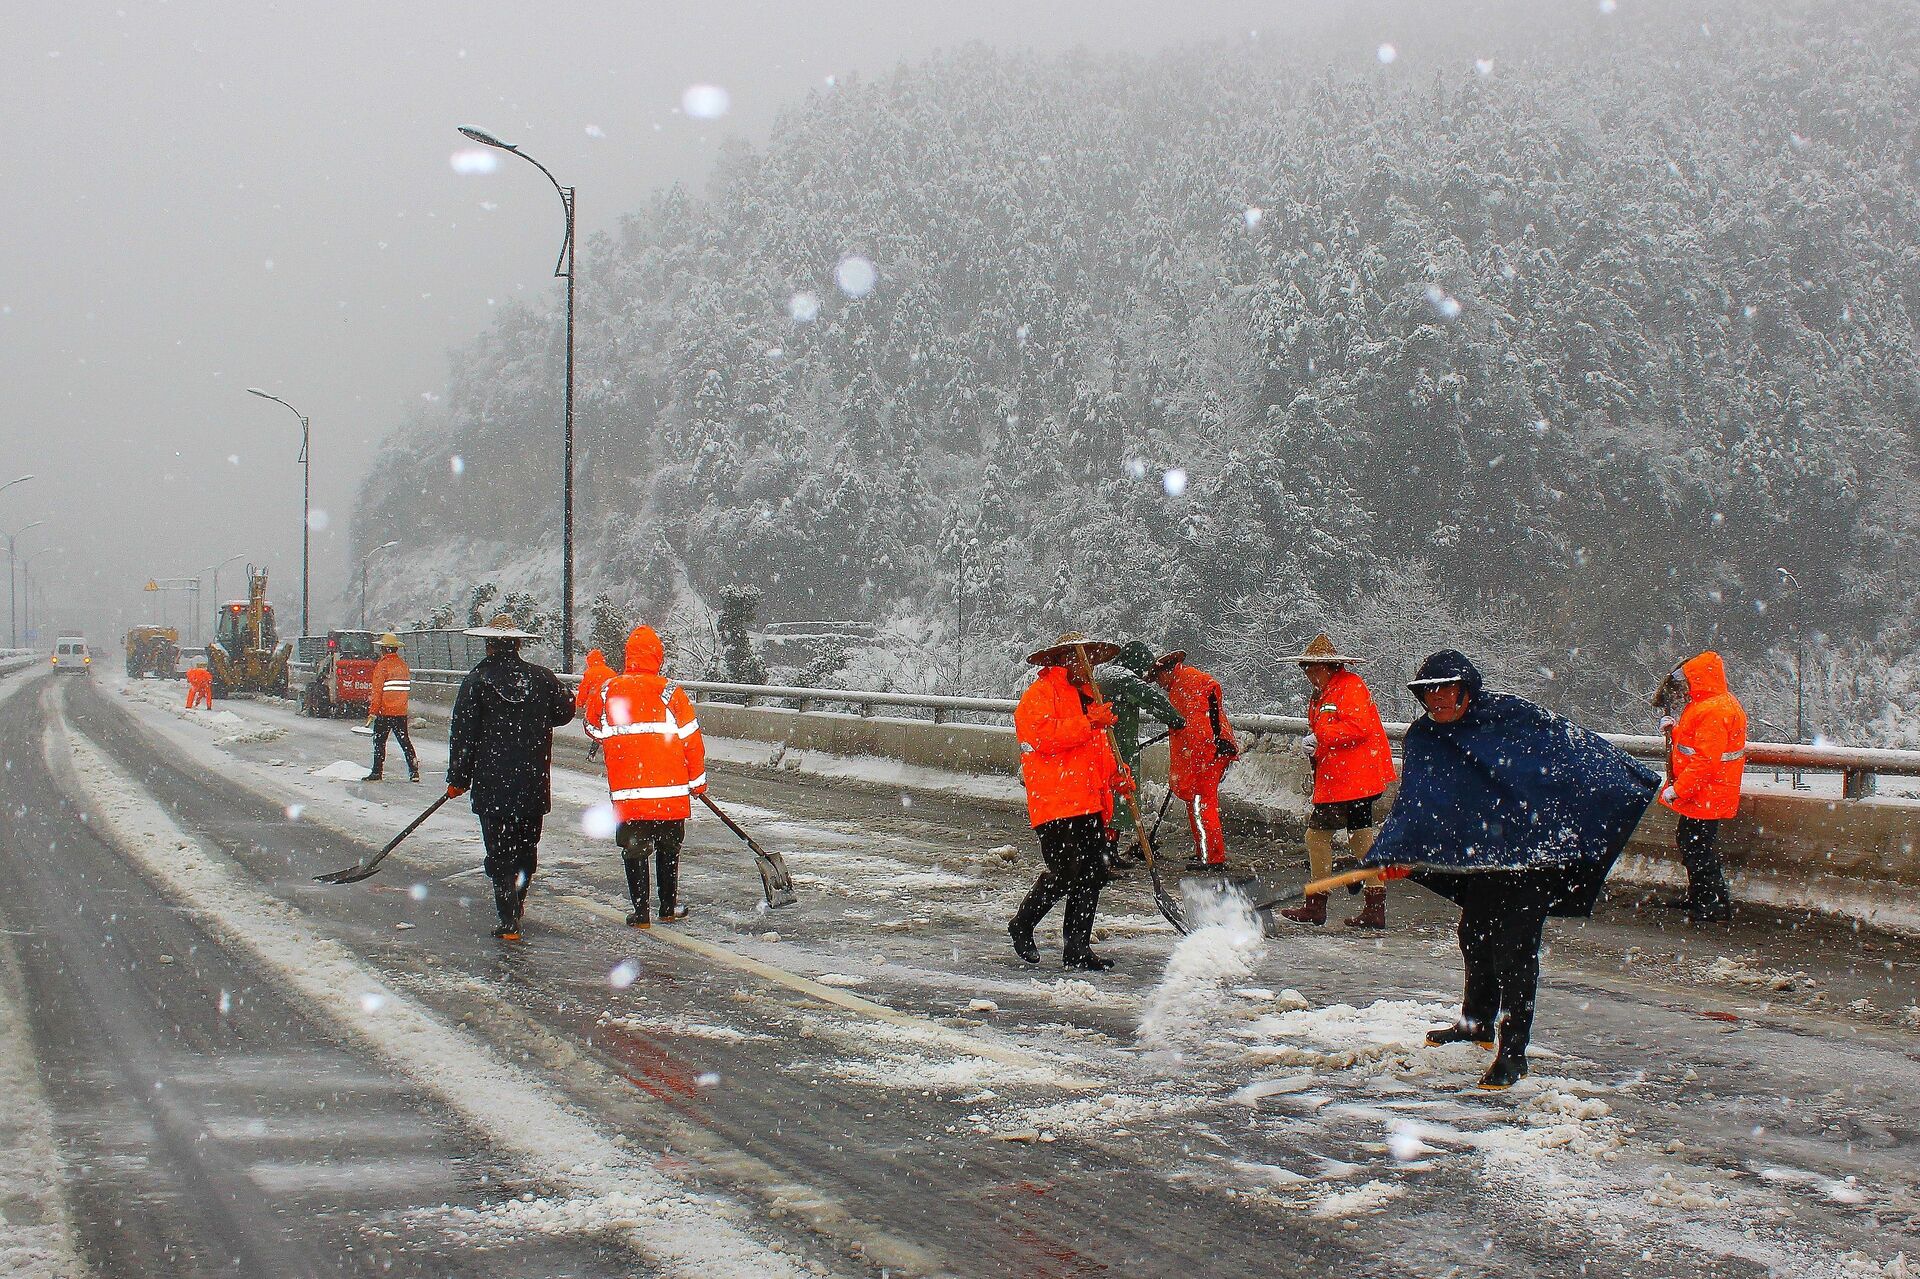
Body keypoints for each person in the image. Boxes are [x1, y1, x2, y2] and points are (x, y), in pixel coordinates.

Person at [1359, 651, 1658, 1089]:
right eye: (1427, 692)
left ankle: (1513, 1051)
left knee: (1514, 948)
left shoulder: (1508, 718)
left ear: (1466, 687)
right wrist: (1396, 850)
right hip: (1482, 857)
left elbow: (1568, 752)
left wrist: (1623, 780)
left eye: (1445, 688)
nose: (1436, 699)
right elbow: (1421, 803)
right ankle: (1475, 1021)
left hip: (1529, 854)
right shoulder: (1424, 737)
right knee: (1474, 934)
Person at [447, 613, 576, 940]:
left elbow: (463, 734)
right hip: (532, 782)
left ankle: (508, 918)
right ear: (518, 644)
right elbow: (565, 711)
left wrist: (458, 778)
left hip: (493, 785)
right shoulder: (542, 679)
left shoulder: (477, 682)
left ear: (489, 645)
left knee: (499, 850)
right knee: (525, 847)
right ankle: (518, 901)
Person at [1008, 633, 1132, 972]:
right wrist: (1090, 722)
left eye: (1091, 659)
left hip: (1088, 802)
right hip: (1055, 801)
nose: (1087, 665)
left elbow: (1096, 753)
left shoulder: (1089, 699)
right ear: (1063, 660)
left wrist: (1115, 778)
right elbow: (1041, 737)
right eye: (1081, 659)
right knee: (1067, 872)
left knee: (1094, 873)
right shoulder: (1041, 695)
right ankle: (1023, 923)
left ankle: (1077, 948)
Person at [584, 625, 706, 929]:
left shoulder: (608, 690)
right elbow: (691, 739)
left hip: (630, 794)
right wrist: (697, 780)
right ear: (658, 657)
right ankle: (667, 906)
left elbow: (594, 730)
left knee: (635, 848)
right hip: (669, 793)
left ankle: (640, 913)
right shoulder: (670, 692)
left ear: (628, 656)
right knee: (669, 848)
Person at [1279, 634, 1397, 928]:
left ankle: (1316, 903)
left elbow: (1357, 727)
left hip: (1349, 779)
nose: (1308, 674)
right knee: (1361, 838)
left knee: (1316, 837)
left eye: (1312, 668)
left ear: (1328, 667)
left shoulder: (1348, 688)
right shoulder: (1327, 693)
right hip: (1350, 777)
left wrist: (1320, 737)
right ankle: (1374, 904)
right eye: (1305, 668)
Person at [1657, 650, 1746, 923]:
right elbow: (1693, 744)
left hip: (1706, 792)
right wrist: (1672, 730)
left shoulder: (1713, 710)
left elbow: (1705, 760)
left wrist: (1679, 789)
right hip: (1706, 792)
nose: (1683, 688)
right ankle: (1702, 897)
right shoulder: (1710, 704)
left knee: (1698, 848)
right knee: (1693, 843)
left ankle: (1712, 903)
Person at [1096, 640, 1186, 866]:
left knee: (1104, 802)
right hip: (1117, 749)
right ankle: (1106, 856)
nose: (1146, 676)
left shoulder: (1104, 676)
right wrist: (1176, 720)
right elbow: (1151, 699)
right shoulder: (1123, 678)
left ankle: (1105, 854)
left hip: (1099, 747)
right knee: (1116, 801)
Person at [1150, 650, 1239, 868]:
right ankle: (1204, 850)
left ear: (1168, 671)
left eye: (1158, 678)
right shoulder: (1185, 682)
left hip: (1207, 753)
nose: (1158, 684)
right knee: (1196, 803)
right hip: (1209, 750)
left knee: (1202, 803)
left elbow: (1200, 729)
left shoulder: (1186, 685)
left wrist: (1198, 761)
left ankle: (1213, 857)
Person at [364, 633, 420, 782]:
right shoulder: (403, 666)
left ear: (384, 649)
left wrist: (373, 712)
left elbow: (377, 692)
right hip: (400, 711)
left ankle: (377, 771)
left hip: (385, 711)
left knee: (379, 742)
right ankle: (414, 771)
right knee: (405, 741)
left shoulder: (382, 666)